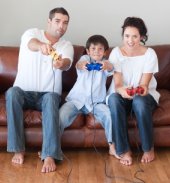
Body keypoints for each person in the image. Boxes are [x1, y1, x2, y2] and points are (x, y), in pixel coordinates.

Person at [6, 7, 74, 173]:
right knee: (11, 92)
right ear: (49, 21)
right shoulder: (32, 33)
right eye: (57, 21)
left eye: (65, 23)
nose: (61, 26)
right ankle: (18, 149)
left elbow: (66, 61)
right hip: (24, 93)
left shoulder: (66, 45)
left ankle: (49, 155)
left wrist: (60, 63)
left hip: (48, 96)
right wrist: (41, 46)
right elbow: (31, 44)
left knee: (51, 98)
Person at [107, 17, 160, 166]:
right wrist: (122, 90)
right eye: (127, 36)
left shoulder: (150, 54)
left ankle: (148, 148)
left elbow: (144, 84)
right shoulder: (116, 53)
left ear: (141, 37)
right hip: (123, 95)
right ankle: (124, 150)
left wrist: (139, 90)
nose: (130, 40)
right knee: (113, 99)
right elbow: (117, 84)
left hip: (144, 95)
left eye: (135, 36)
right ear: (123, 35)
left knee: (139, 101)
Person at [59, 35, 117, 157]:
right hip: (76, 100)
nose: (96, 51)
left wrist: (107, 65)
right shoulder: (85, 58)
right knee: (61, 115)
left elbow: (111, 67)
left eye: (100, 49)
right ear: (88, 51)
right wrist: (83, 65)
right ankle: (52, 147)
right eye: (93, 49)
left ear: (105, 52)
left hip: (96, 103)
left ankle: (112, 146)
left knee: (109, 115)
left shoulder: (105, 63)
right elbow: (79, 65)